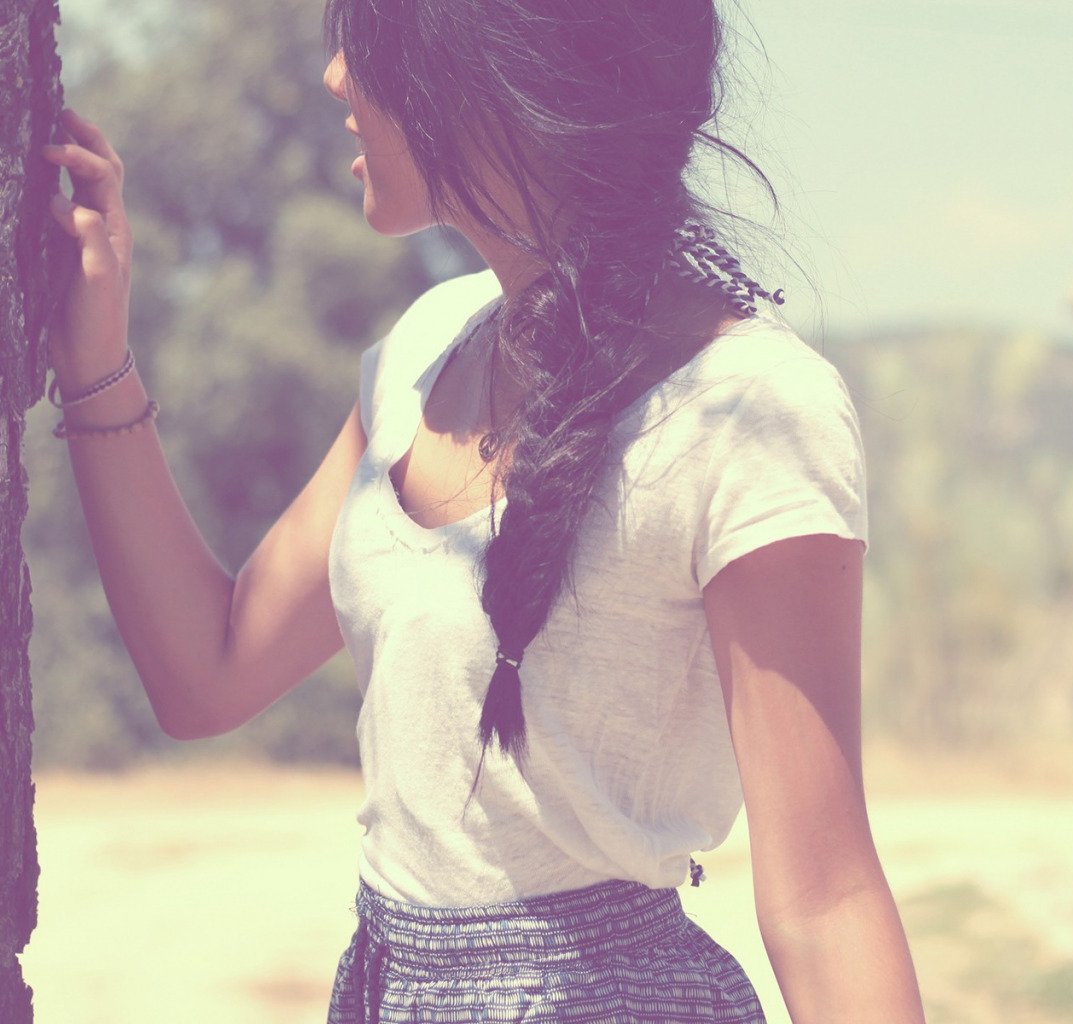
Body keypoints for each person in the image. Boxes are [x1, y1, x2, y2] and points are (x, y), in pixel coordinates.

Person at [38, 1, 926, 1021]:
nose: (336, 76)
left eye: (370, 35)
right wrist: (96, 361)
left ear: (496, 69)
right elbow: (207, 671)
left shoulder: (749, 410)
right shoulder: (423, 349)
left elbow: (824, 902)